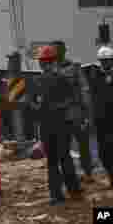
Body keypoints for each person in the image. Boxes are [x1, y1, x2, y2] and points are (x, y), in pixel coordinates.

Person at [30, 45, 84, 205]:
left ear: (41, 63)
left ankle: (56, 195)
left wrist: (41, 108)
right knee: (64, 157)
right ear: (54, 61)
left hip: (47, 126)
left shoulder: (37, 81)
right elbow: (72, 99)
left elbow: (31, 104)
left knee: (52, 161)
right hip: (61, 124)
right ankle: (73, 191)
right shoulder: (62, 79)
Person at [52, 40, 94, 183]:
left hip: (76, 111)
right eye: (53, 50)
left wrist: (87, 112)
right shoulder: (50, 69)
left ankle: (88, 172)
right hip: (59, 114)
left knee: (83, 143)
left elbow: (84, 88)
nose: (55, 53)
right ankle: (69, 176)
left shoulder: (74, 67)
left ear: (64, 50)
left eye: (58, 50)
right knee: (63, 147)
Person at [85, 45, 113, 190]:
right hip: (101, 120)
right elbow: (91, 98)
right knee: (104, 151)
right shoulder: (94, 76)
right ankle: (110, 174)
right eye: (103, 61)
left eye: (107, 60)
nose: (105, 63)